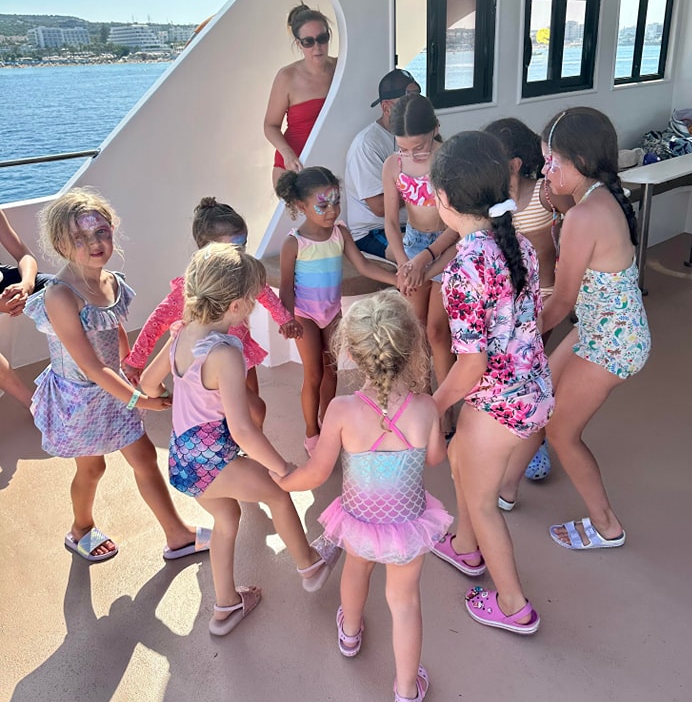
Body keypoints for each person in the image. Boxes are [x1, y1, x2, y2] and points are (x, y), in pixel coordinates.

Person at [271, 291, 451, 702]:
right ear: (412, 347)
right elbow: (435, 459)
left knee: (356, 571)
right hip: (408, 521)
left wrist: (283, 480)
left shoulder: (342, 410)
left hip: (360, 518)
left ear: (349, 352)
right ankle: (407, 695)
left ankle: (350, 634)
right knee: (404, 602)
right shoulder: (426, 407)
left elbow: (317, 472)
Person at [140, 243, 338, 636]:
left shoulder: (180, 333)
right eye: (253, 300)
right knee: (278, 495)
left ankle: (226, 606)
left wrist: (170, 400)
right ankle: (311, 566)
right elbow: (244, 429)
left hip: (184, 458)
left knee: (227, 519)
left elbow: (148, 383)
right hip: (215, 461)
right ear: (234, 306)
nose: (254, 306)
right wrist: (282, 467)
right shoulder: (225, 354)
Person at [23, 188, 210, 563]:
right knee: (93, 467)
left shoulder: (109, 281)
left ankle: (177, 535)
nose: (95, 243)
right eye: (81, 238)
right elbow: (91, 366)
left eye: (102, 233)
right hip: (81, 398)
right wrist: (140, 397)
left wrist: (132, 364)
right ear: (61, 244)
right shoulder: (61, 295)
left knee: (143, 456)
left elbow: (113, 326)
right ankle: (80, 530)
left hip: (115, 388)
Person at [429, 131, 553, 635]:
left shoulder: (463, 270)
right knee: (460, 461)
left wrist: (430, 404)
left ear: (442, 200)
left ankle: (513, 604)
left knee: (482, 502)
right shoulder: (518, 242)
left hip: (497, 402)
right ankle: (463, 546)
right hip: (532, 389)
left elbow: (470, 366)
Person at [537, 108, 651, 551]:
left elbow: (561, 302)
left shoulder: (585, 216)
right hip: (604, 327)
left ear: (580, 160)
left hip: (610, 342)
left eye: (553, 163)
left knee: (561, 432)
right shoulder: (595, 197)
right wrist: (561, 205)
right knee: (545, 385)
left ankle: (607, 526)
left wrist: (517, 339)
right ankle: (506, 488)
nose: (546, 172)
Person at [122, 197, 302, 429]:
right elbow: (156, 321)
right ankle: (233, 437)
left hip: (242, 350)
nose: (241, 254)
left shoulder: (244, 273)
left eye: (243, 245)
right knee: (222, 405)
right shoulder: (191, 287)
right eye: (233, 248)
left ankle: (250, 441)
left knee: (254, 406)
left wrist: (285, 319)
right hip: (209, 357)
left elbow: (265, 293)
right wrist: (136, 360)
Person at [275, 167, 397, 455]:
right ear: (301, 207)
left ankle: (326, 422)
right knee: (314, 373)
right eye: (322, 205)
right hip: (305, 315)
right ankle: (311, 432)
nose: (331, 210)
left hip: (332, 312)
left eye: (336, 202)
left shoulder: (340, 233)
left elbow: (364, 265)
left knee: (331, 373)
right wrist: (287, 318)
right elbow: (286, 287)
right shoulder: (294, 243)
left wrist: (397, 279)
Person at [484, 118, 573, 485]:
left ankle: (534, 443)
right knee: (507, 372)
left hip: (545, 300)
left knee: (530, 373)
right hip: (508, 306)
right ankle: (510, 438)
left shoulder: (544, 193)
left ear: (516, 164)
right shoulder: (491, 199)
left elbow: (578, 218)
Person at [382, 94, 457, 419]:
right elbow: (389, 221)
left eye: (419, 147)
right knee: (416, 330)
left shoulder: (448, 161)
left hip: (444, 247)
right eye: (403, 147)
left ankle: (445, 412)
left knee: (438, 333)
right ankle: (423, 406)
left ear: (436, 129)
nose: (411, 154)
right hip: (412, 247)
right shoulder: (393, 165)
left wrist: (425, 258)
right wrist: (403, 262)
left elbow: (457, 226)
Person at [345, 68, 420, 259]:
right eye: (408, 99)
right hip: (373, 232)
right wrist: (421, 189)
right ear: (387, 107)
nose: (416, 106)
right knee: (422, 257)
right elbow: (379, 207)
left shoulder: (418, 134)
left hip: (412, 225)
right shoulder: (367, 144)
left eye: (418, 98)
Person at [264, 3, 337, 187]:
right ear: (299, 44)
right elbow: (270, 125)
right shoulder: (287, 77)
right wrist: (287, 153)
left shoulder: (342, 68)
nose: (317, 46)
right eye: (308, 41)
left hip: (332, 164)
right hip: (295, 167)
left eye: (322, 38)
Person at [0, 209, 51, 408]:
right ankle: (34, 405)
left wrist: (27, 285)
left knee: (65, 290)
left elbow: (24, 255)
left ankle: (96, 375)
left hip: (5, 280)